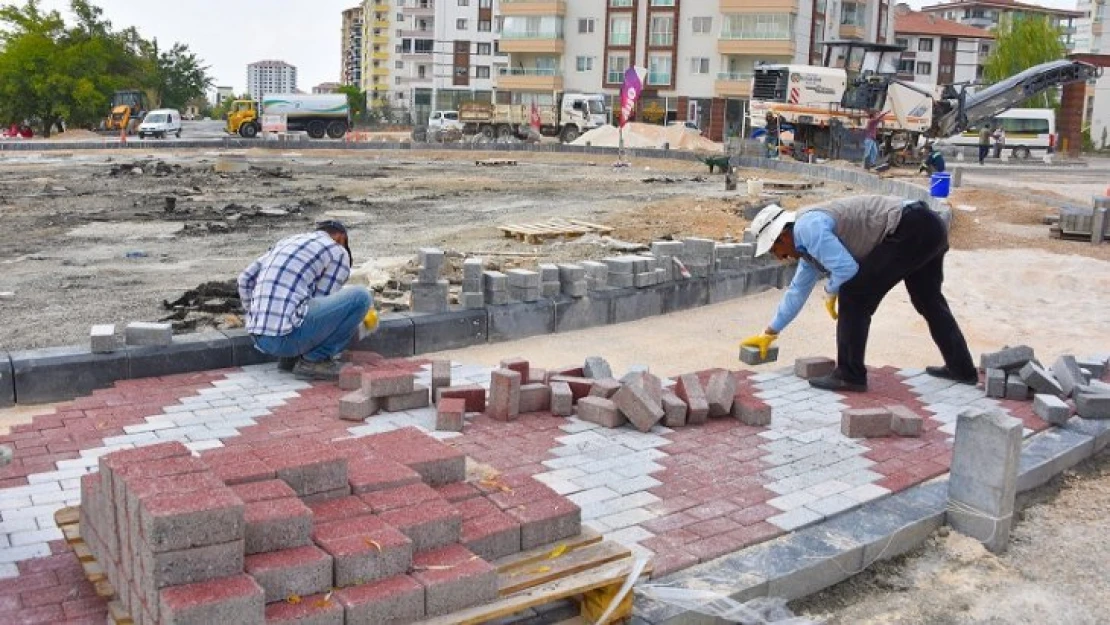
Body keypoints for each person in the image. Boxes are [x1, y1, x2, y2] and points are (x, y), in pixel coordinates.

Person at [740, 197, 977, 392]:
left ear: (782, 236)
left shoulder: (807, 228)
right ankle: (962, 368)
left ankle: (850, 374)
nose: (780, 258)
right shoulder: (807, 247)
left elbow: (846, 269)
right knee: (928, 300)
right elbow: (797, 291)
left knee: (854, 294)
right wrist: (770, 332)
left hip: (910, 227)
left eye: (775, 250)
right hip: (929, 226)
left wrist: (830, 291)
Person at [237, 220, 372, 381]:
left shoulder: (287, 242)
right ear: (341, 238)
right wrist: (362, 321)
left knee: (298, 302)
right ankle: (314, 361)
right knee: (361, 297)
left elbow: (244, 279)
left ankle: (291, 359)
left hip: (259, 339)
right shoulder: (337, 251)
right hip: (288, 339)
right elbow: (322, 301)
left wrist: (254, 314)